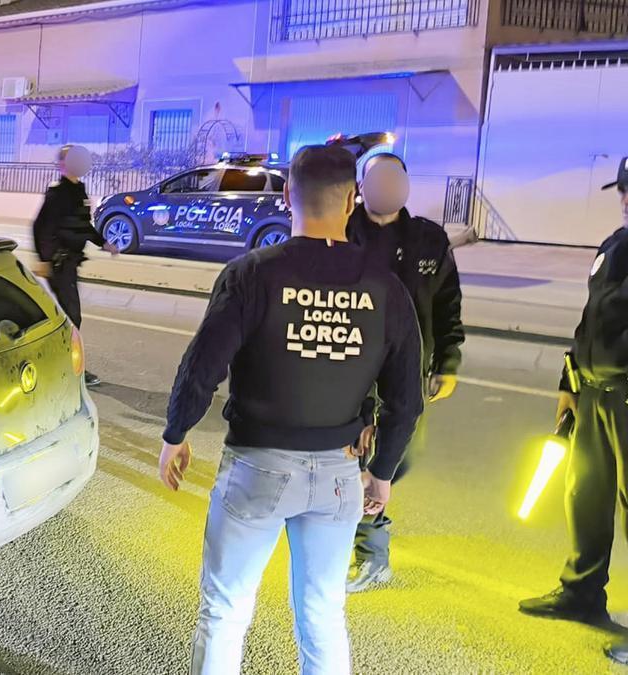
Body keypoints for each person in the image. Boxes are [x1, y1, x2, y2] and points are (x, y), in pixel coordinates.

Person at [159, 144, 424, 674]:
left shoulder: (252, 274)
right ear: (351, 200)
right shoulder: (384, 287)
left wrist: (175, 434)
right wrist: (383, 471)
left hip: (258, 466)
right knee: (323, 613)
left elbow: (202, 364)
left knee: (226, 610)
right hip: (337, 473)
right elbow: (406, 398)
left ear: (286, 196)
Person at [521, 158, 628, 664]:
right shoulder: (616, 245)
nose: (626, 198)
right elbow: (589, 319)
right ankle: (582, 595)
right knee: (585, 497)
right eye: (624, 189)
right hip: (595, 395)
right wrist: (569, 380)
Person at [344, 152, 465, 592]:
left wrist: (448, 362)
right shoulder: (341, 230)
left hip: (407, 371)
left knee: (395, 460)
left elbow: (448, 304)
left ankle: (365, 535)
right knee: (353, 461)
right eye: (377, 179)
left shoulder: (428, 240)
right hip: (349, 369)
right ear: (361, 186)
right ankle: (369, 553)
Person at [31, 144, 118, 386]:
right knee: (72, 316)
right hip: (60, 262)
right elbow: (40, 227)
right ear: (62, 165)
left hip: (70, 262)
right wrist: (45, 259)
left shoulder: (78, 190)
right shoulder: (57, 193)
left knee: (68, 316)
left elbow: (83, 225)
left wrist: (104, 243)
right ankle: (67, 366)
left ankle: (58, 362)